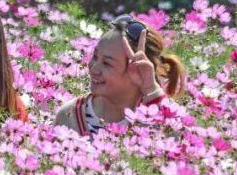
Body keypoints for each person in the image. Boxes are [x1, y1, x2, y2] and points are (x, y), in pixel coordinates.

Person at [55, 14, 185, 136]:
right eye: (95, 56)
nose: (93, 68)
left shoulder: (155, 119)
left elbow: (181, 142)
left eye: (107, 63)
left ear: (137, 69)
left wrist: (150, 88)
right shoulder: (70, 116)